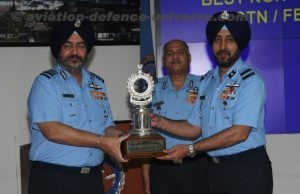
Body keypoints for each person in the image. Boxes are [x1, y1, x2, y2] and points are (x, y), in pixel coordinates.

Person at [152, 11, 273, 194]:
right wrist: (157, 121)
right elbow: (194, 127)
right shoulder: (207, 81)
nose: (223, 46)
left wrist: (191, 148)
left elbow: (239, 133)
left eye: (230, 39)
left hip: (245, 169)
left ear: (239, 43)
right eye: (217, 39)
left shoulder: (250, 80)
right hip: (214, 171)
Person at [27, 19, 129, 194]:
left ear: (87, 50)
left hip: (92, 180)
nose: (75, 52)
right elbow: (53, 131)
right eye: (68, 45)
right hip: (54, 179)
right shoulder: (45, 83)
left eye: (80, 46)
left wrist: (125, 139)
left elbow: (106, 127)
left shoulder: (98, 84)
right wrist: (102, 142)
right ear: (58, 49)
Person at [142, 39, 209, 194]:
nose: (175, 57)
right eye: (170, 53)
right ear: (164, 60)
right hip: (161, 167)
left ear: (189, 57)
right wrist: (146, 175)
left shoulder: (205, 85)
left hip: (198, 166)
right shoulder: (151, 89)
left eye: (180, 52)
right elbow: (145, 135)